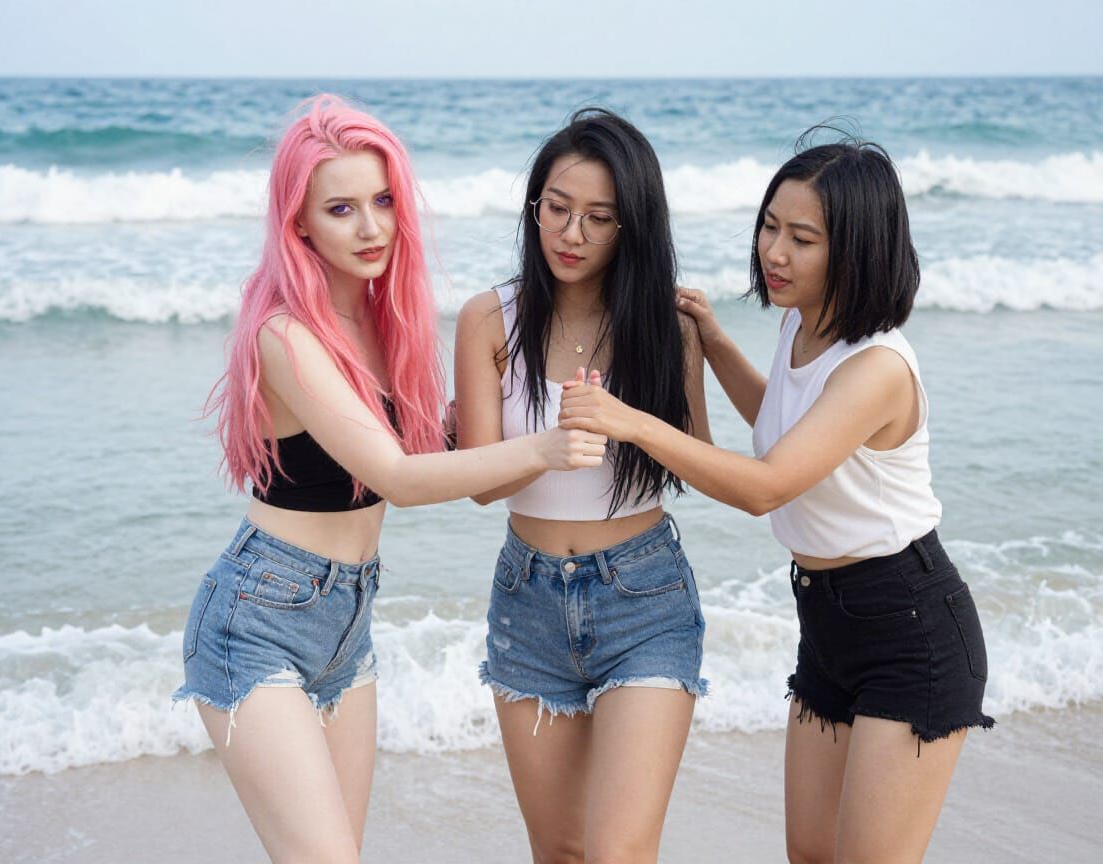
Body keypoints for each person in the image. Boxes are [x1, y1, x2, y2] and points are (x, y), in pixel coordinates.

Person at [171, 95, 606, 864]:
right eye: (341, 208)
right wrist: (547, 447)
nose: (371, 226)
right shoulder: (286, 333)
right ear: (299, 221)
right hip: (259, 615)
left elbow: (402, 453)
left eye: (382, 201)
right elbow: (399, 479)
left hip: (347, 620)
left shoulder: (382, 320)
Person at [559, 134, 994, 863]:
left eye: (803, 238)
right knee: (810, 853)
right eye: (770, 226)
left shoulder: (877, 367)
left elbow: (765, 487)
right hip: (827, 622)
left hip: (910, 628)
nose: (775, 253)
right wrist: (712, 342)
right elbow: (780, 430)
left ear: (856, 248)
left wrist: (626, 420)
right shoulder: (803, 324)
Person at [453, 108, 711, 864]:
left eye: (598, 218)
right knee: (559, 852)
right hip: (526, 601)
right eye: (556, 210)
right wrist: (549, 446)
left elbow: (698, 459)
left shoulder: (668, 325)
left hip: (645, 599)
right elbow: (475, 478)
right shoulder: (488, 319)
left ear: (631, 225)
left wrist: (629, 421)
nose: (571, 234)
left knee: (618, 852)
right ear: (534, 207)